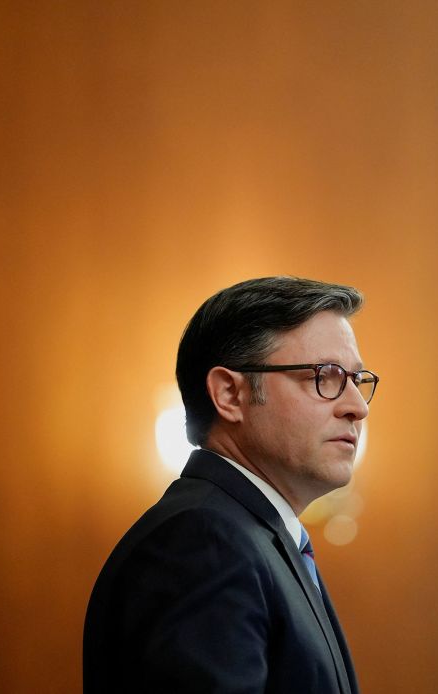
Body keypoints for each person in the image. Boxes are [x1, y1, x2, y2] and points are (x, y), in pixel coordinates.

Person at [83, 276, 378, 693]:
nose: (356, 407)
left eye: (357, 380)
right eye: (324, 377)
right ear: (229, 395)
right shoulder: (203, 541)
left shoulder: (256, 537)